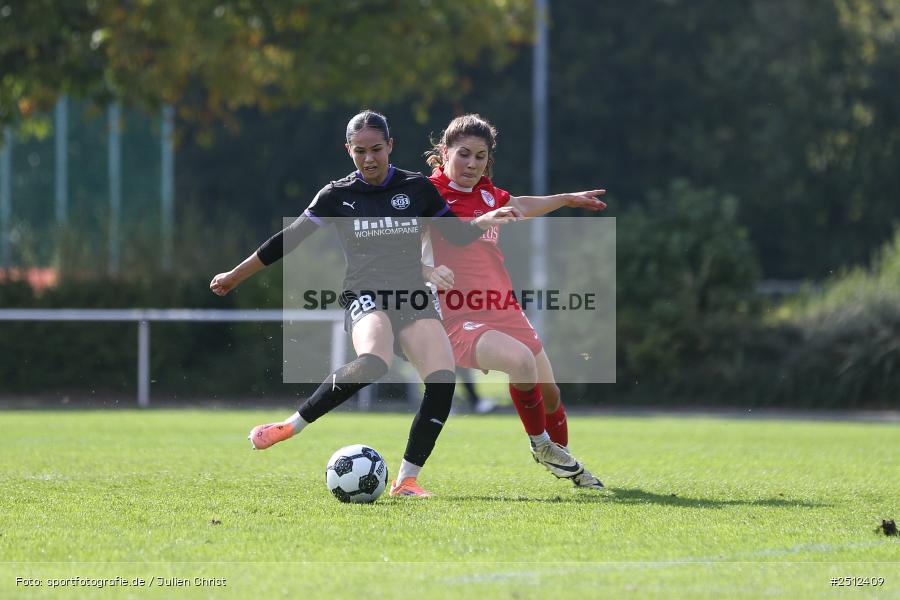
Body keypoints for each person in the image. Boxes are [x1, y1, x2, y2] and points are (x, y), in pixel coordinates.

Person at [210, 110, 521, 498]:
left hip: (412, 297)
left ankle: (406, 480)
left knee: (443, 381)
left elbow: (455, 237)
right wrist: (234, 275)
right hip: (366, 295)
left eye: (376, 149)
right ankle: (290, 425)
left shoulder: (417, 188)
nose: (369, 158)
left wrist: (486, 219)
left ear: (390, 146)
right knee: (375, 360)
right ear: (348, 151)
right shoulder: (336, 195)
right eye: (360, 151)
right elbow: (288, 239)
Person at [422, 113, 607, 489]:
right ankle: (541, 445)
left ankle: (566, 463)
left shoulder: (488, 194)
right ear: (444, 152)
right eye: (463, 154)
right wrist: (425, 272)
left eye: (480, 156)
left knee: (551, 394)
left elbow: (521, 204)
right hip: (457, 314)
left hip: (503, 307)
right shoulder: (427, 194)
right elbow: (400, 247)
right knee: (520, 362)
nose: (472, 164)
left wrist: (565, 200)